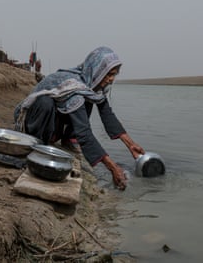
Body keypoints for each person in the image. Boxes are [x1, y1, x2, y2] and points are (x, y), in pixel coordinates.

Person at [14, 46, 145, 190]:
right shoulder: (74, 86)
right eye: (109, 74)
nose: (112, 79)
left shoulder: (91, 87)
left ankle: (67, 139)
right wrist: (113, 168)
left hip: (54, 122)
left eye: (115, 74)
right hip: (34, 121)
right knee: (47, 102)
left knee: (85, 101)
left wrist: (130, 144)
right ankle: (38, 143)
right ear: (97, 70)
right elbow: (84, 132)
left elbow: (107, 115)